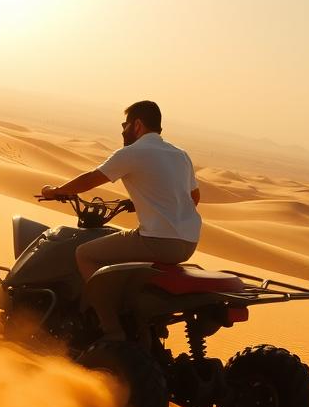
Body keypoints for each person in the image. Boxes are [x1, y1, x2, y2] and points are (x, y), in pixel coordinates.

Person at [40, 100, 201, 281]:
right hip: (189, 242)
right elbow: (194, 198)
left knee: (85, 254)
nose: (123, 131)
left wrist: (56, 190)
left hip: (157, 241)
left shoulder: (132, 152)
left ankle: (103, 309)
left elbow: (90, 179)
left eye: (125, 125)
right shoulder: (181, 155)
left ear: (137, 125)